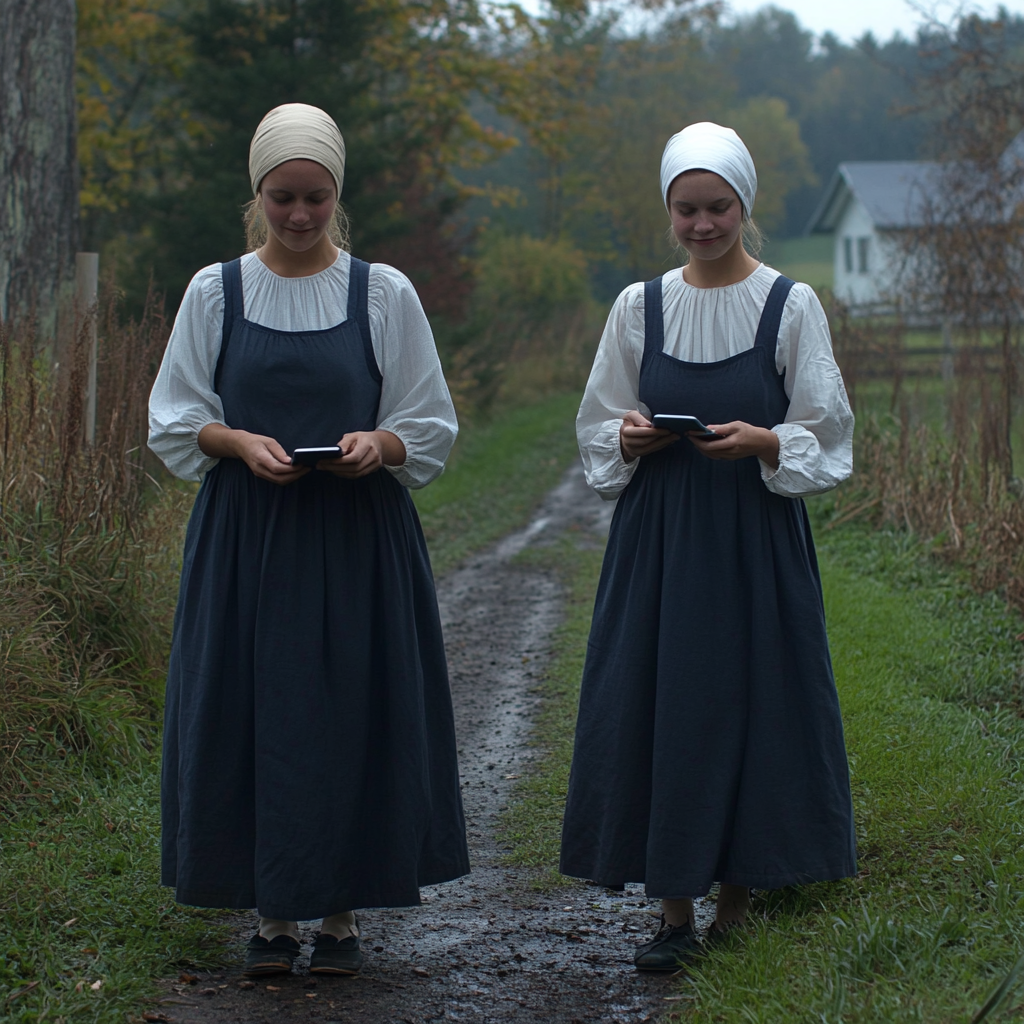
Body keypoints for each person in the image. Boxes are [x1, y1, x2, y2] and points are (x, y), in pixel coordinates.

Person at [148, 103, 469, 978]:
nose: (298, 215)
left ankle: (338, 917)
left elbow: (428, 422)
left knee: (349, 714)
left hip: (356, 539)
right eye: (283, 197)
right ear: (258, 195)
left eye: (315, 199)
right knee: (258, 716)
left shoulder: (384, 293)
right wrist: (237, 441)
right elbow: (175, 418)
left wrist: (381, 444)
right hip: (247, 539)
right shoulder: (216, 291)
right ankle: (272, 918)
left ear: (338, 197)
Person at [559, 122, 857, 970]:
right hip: (658, 541)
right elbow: (597, 424)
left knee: (751, 699)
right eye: (686, 210)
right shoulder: (638, 307)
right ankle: (671, 908)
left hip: (752, 542)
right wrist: (629, 438)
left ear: (744, 206)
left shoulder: (788, 304)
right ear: (668, 212)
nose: (701, 224)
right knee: (661, 701)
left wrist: (766, 443)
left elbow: (826, 432)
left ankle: (737, 896)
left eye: (717, 207)